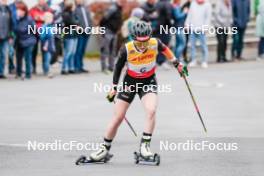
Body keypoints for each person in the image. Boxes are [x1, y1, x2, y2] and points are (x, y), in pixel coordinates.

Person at [88, 21, 188, 162]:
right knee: (118, 117)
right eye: (139, 42)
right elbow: (117, 68)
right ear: (133, 38)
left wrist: (177, 63)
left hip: (148, 81)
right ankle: (104, 148)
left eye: (145, 41)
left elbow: (166, 50)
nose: (143, 45)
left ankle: (144, 147)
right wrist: (114, 87)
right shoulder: (126, 49)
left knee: (151, 110)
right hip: (130, 83)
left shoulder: (155, 42)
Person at [99, 0, 125, 74]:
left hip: (114, 32)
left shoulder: (119, 9)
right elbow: (104, 19)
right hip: (108, 31)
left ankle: (111, 67)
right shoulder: (113, 8)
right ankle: (104, 67)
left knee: (113, 51)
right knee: (105, 50)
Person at [185, 0, 212, 68]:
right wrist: (187, 24)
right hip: (193, 28)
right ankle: (193, 60)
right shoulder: (193, 3)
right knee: (192, 46)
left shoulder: (207, 5)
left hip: (202, 29)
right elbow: (189, 15)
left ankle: (204, 61)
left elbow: (208, 18)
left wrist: (205, 28)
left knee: (203, 45)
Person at [29, 0, 52, 74]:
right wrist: (40, 18)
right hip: (34, 32)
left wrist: (40, 18)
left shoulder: (48, 9)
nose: (41, 1)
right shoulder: (33, 9)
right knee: (33, 51)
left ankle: (45, 69)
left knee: (45, 50)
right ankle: (33, 68)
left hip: (45, 32)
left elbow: (50, 19)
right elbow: (30, 19)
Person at [15, 1, 36, 79]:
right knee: (18, 58)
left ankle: (28, 74)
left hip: (28, 41)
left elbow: (34, 31)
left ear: (24, 11)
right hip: (19, 41)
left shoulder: (29, 19)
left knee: (27, 58)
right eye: (17, 10)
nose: (18, 12)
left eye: (20, 10)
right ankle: (19, 73)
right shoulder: (16, 19)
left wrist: (29, 36)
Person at [74, 0, 92, 73]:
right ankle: (76, 67)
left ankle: (81, 66)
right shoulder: (75, 9)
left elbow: (89, 19)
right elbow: (75, 21)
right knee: (78, 50)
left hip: (87, 32)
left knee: (83, 51)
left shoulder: (86, 8)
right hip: (80, 32)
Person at [61, 0, 79, 75]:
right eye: (74, 5)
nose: (75, 7)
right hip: (69, 35)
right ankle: (64, 68)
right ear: (70, 6)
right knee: (68, 52)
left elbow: (78, 21)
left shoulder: (73, 13)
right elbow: (72, 22)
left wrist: (76, 23)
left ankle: (71, 68)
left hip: (74, 35)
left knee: (73, 52)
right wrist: (76, 24)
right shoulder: (66, 14)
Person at [155, 0, 174, 69]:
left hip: (157, 27)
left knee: (158, 44)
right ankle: (162, 61)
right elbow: (168, 16)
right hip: (165, 27)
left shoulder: (157, 3)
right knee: (164, 45)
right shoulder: (167, 4)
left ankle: (157, 61)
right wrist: (171, 25)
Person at [40, 12, 55, 78]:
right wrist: (45, 44)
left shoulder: (51, 26)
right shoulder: (44, 26)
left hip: (51, 44)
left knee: (48, 58)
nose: (52, 19)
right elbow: (42, 36)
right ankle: (46, 71)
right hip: (46, 45)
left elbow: (53, 36)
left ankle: (46, 70)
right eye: (50, 18)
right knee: (46, 58)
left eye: (52, 18)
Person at [0, 0, 12, 79]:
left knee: (3, 55)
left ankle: (1, 72)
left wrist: (11, 36)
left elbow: (11, 24)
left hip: (5, 36)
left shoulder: (8, 9)